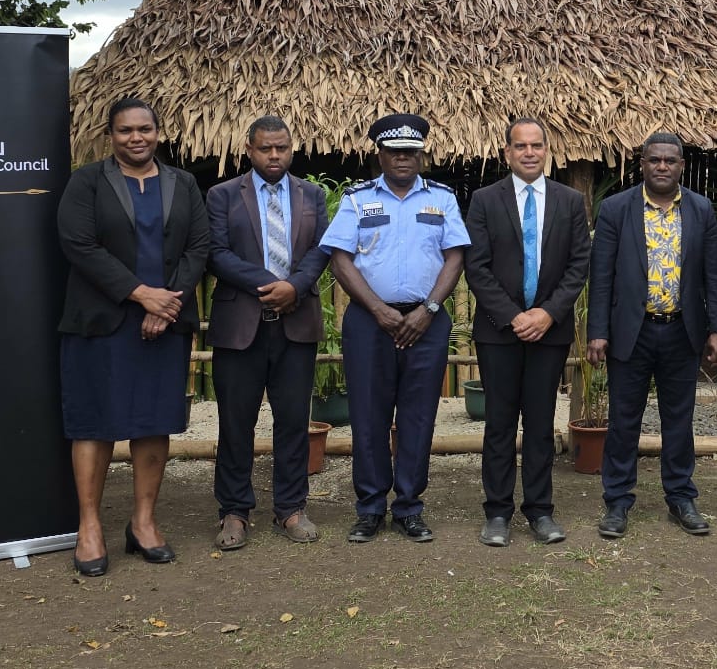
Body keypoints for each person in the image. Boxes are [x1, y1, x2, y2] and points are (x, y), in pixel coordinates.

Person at [55, 97, 212, 576]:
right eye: (125, 130)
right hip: (101, 322)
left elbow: (199, 247)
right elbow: (78, 244)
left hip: (164, 324)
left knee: (152, 421)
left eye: (145, 129)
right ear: (111, 136)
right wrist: (142, 295)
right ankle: (89, 527)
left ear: (158, 133)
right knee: (93, 423)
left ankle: (143, 523)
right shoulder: (86, 182)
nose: (136, 138)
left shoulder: (183, 183)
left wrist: (167, 305)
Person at [321, 114, 469, 543]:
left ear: (421, 155)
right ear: (380, 155)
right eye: (394, 152)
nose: (403, 158)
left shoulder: (442, 198)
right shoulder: (357, 199)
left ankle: (408, 507)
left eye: (411, 152)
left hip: (427, 322)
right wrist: (378, 310)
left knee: (418, 416)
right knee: (368, 415)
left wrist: (429, 309)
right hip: (370, 323)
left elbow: (455, 257)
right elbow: (340, 259)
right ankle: (370, 507)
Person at [586, 132, 717, 539]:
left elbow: (713, 275)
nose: (662, 166)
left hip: (682, 331)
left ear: (681, 165)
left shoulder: (700, 209)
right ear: (642, 164)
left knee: (679, 421)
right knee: (624, 421)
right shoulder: (616, 209)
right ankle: (617, 501)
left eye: (669, 160)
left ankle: (681, 497)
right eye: (654, 160)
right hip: (631, 332)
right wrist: (598, 331)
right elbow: (602, 276)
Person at [463, 117, 592, 546]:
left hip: (549, 333)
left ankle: (540, 511)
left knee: (539, 424)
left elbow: (579, 265)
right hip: (499, 331)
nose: (530, 152)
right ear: (507, 153)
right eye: (521, 146)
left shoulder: (569, 201)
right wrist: (513, 315)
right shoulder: (484, 200)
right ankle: (497, 513)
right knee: (499, 424)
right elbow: (476, 266)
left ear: (546, 151)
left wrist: (548, 314)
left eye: (537, 145)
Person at [205, 115, 330, 551]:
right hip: (240, 326)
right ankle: (234, 510)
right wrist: (270, 284)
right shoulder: (222, 195)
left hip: (296, 324)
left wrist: (294, 286)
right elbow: (216, 253)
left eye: (282, 148)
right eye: (265, 148)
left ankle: (290, 508)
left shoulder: (312, 195)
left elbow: (321, 249)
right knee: (235, 422)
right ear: (250, 150)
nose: (274, 156)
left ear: (292, 148)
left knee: (293, 421)